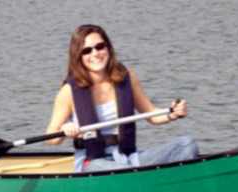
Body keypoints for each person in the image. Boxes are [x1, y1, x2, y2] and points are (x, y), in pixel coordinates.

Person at [45, 24, 199, 173]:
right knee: (126, 172)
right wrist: (64, 131)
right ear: (78, 56)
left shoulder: (128, 78)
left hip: (128, 158)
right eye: (86, 51)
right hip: (92, 162)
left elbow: (151, 113)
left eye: (99, 47)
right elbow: (50, 138)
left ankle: (161, 188)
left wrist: (173, 113)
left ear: (108, 47)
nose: (95, 54)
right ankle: (146, 184)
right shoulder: (69, 91)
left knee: (187, 144)